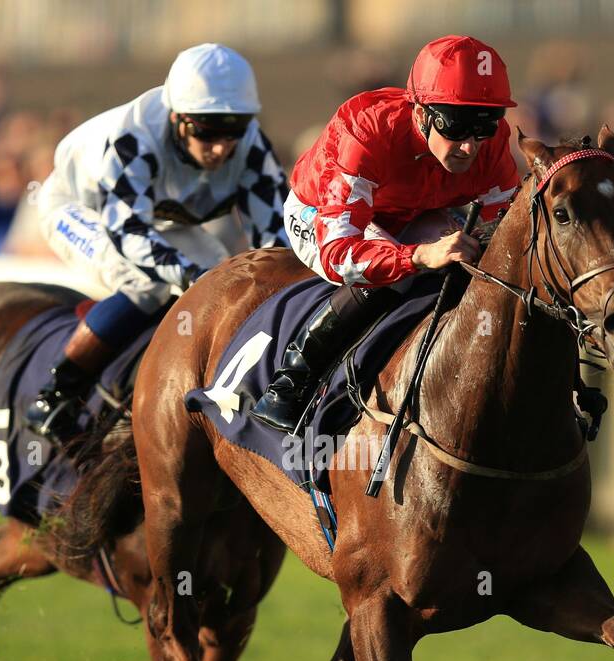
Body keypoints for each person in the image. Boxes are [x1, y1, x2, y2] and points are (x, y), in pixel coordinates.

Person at [250, 34, 521, 432]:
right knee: (394, 273)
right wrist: (416, 257)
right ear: (422, 112)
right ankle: (291, 382)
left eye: (485, 124)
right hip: (322, 215)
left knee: (470, 261)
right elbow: (339, 252)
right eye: (458, 125)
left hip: (416, 212)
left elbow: (508, 233)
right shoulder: (367, 130)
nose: (470, 145)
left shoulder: (492, 144)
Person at [29, 43, 290, 442]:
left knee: (222, 271)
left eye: (233, 129)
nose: (222, 147)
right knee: (147, 283)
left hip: (156, 217)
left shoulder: (251, 146)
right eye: (207, 130)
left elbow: (276, 241)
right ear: (177, 117)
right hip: (84, 211)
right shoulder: (134, 138)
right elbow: (129, 234)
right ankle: (58, 390)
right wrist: (192, 277)